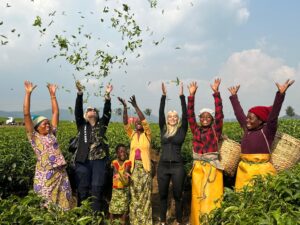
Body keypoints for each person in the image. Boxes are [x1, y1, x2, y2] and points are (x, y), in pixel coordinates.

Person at [228, 79, 295, 190]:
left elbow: (274, 115)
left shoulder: (267, 131)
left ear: (260, 121)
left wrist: (280, 95)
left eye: (251, 118)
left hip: (262, 171)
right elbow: (238, 113)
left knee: (261, 198)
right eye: (247, 117)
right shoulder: (247, 129)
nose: (247, 120)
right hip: (244, 171)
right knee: (242, 199)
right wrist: (234, 97)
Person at [23, 80, 73, 210]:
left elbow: (55, 113)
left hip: (60, 173)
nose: (47, 125)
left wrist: (52, 95)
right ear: (37, 127)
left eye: (48, 123)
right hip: (45, 174)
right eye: (44, 124)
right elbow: (26, 114)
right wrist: (28, 94)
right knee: (45, 204)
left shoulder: (52, 134)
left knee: (64, 204)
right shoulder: (34, 137)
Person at [187, 79, 224, 225]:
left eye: (208, 117)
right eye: (203, 117)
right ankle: (196, 221)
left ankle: (213, 221)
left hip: (212, 167)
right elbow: (189, 115)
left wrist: (216, 93)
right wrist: (191, 96)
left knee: (211, 197)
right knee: (197, 196)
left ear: (212, 119)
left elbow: (220, 114)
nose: (205, 119)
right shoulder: (195, 129)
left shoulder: (216, 130)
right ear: (200, 119)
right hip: (198, 167)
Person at [74, 80, 112, 212]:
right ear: (86, 115)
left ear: (96, 114)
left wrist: (107, 96)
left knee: (97, 188)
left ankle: (95, 216)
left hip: (99, 161)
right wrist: (80, 94)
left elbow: (107, 113)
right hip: (82, 161)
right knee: (83, 188)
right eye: (89, 109)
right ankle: (82, 215)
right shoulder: (82, 125)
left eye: (94, 110)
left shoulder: (102, 125)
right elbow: (78, 111)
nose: (92, 111)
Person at [118, 95, 153, 225]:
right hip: (133, 169)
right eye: (136, 122)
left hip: (144, 168)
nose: (139, 123)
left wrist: (136, 106)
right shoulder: (132, 134)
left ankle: (145, 221)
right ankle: (135, 221)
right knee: (134, 195)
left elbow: (144, 120)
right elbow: (125, 123)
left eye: (140, 122)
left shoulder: (148, 135)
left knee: (145, 195)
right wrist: (125, 108)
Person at [157, 82, 188, 225]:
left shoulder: (182, 130)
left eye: (175, 117)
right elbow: (160, 113)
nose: (173, 118)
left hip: (177, 167)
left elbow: (186, 115)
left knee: (177, 195)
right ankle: (163, 221)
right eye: (170, 116)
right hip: (163, 166)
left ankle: (179, 221)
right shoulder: (163, 129)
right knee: (163, 195)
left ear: (178, 119)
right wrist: (163, 96)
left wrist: (182, 96)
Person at [109, 144, 131, 225]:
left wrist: (124, 174)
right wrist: (121, 175)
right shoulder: (114, 162)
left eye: (124, 152)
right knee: (113, 207)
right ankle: (111, 222)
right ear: (117, 153)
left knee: (124, 206)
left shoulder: (128, 162)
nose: (123, 153)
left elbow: (126, 170)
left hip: (124, 188)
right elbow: (115, 172)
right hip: (115, 188)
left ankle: (123, 222)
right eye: (120, 151)